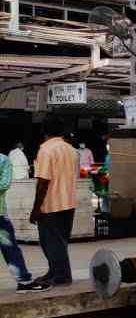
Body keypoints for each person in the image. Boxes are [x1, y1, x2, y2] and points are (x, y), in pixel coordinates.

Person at [29, 119, 79, 287]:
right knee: (60, 242)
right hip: (69, 203)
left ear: (44, 132)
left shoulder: (46, 150)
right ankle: (54, 272)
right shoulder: (71, 150)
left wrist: (36, 209)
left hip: (51, 204)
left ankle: (61, 276)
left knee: (50, 243)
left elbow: (43, 182)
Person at [0, 149, 46, 292]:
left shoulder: (3, 160)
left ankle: (24, 281)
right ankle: (24, 281)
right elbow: (4, 184)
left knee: (10, 248)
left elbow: (4, 184)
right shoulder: (3, 159)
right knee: (10, 249)